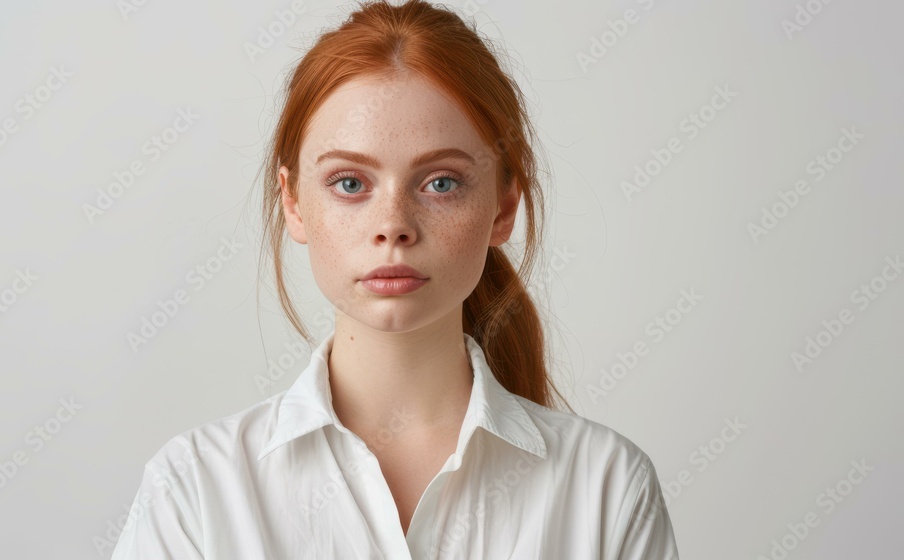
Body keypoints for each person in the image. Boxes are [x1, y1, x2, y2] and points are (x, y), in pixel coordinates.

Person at [110, 1, 679, 558]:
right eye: (350, 183)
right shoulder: (194, 492)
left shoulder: (607, 488)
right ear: (294, 203)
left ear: (504, 207)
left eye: (441, 183)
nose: (393, 227)